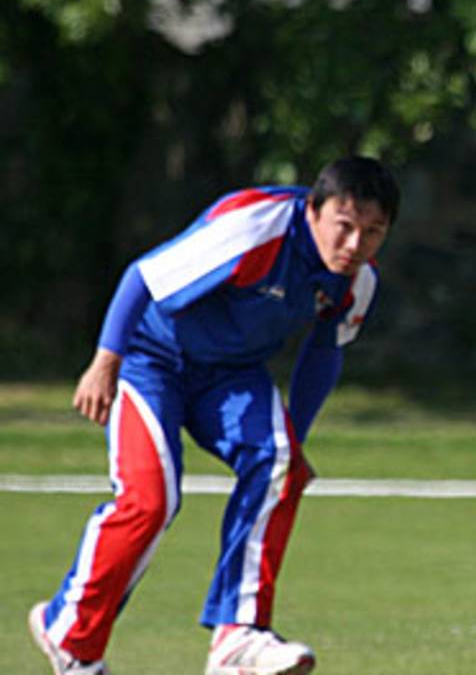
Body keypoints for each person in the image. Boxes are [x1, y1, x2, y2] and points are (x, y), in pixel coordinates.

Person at [28, 157, 400, 675]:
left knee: (280, 464)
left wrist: (296, 439)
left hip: (230, 375)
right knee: (151, 500)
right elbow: (143, 276)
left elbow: (325, 350)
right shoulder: (256, 226)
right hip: (150, 359)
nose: (355, 244)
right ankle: (71, 635)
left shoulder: (357, 280)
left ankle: (237, 636)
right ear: (313, 210)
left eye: (373, 232)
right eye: (344, 225)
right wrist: (104, 362)